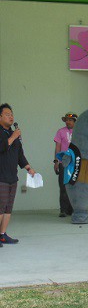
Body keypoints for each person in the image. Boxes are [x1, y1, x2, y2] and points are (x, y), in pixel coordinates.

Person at [0, 103, 35, 246]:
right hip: (1, 177)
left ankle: (2, 235)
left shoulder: (14, 134)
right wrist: (14, 136)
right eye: (7, 114)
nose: (11, 116)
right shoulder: (5, 134)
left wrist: (28, 168)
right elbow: (2, 147)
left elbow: (20, 155)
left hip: (12, 178)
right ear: (0, 116)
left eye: (12, 114)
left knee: (8, 208)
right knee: (0, 207)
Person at [54, 111, 77, 217]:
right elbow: (57, 147)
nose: (68, 122)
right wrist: (56, 162)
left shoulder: (79, 132)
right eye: (67, 120)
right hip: (64, 163)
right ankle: (63, 210)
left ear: (75, 122)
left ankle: (72, 209)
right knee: (63, 187)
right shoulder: (60, 132)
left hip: (76, 163)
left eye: (70, 120)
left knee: (74, 186)